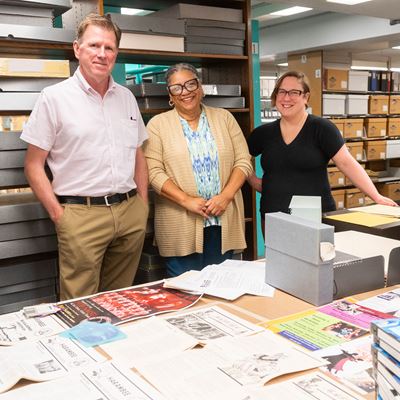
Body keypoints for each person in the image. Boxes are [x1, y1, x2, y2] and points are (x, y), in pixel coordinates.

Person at [21, 14, 149, 300]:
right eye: (94, 46)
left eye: (109, 48)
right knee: (80, 305)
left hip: (130, 211)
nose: (102, 54)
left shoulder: (126, 97)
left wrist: (142, 204)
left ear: (116, 52)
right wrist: (60, 216)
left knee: (120, 300)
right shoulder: (54, 97)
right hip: (80, 215)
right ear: (77, 49)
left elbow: (138, 154)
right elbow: (33, 166)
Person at [247, 70, 397, 232]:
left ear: (306, 97)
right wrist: (253, 180)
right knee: (277, 257)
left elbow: (347, 163)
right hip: (274, 214)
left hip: (316, 217)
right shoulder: (263, 133)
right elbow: (242, 158)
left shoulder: (321, 129)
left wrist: (376, 196)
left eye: (294, 92)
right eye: (281, 92)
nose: (286, 98)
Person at [144, 63, 253, 277]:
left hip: (223, 219)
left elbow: (243, 160)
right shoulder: (157, 125)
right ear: (170, 95)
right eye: (177, 87)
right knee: (186, 291)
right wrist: (186, 200)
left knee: (221, 287)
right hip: (179, 223)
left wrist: (226, 196)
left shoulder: (224, 118)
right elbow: (153, 172)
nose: (185, 92)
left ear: (200, 88)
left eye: (190, 84)